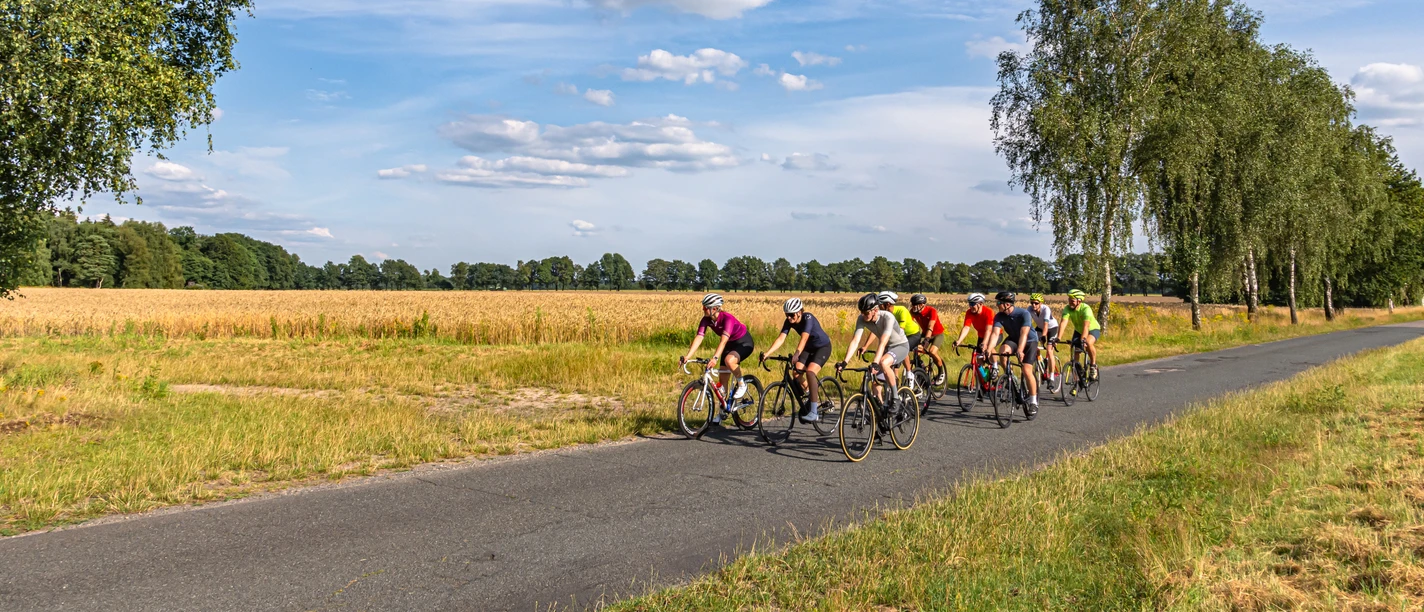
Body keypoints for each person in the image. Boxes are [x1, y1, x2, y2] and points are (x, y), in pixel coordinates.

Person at [679, 293, 754, 424]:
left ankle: (742, 383)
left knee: (729, 361)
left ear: (714, 309)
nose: (703, 309)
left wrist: (714, 358)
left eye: (705, 307)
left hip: (743, 342)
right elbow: (699, 337)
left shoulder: (727, 319)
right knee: (722, 384)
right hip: (730, 344)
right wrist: (687, 356)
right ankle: (722, 412)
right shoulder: (706, 319)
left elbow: (723, 341)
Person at [760, 297, 833, 423]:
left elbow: (804, 338)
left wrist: (797, 353)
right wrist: (767, 353)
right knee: (796, 372)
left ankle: (814, 412)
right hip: (809, 348)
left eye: (791, 315)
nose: (789, 318)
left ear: (799, 312)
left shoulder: (808, 318)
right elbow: (781, 339)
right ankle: (810, 393)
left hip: (823, 347)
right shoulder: (789, 321)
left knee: (810, 372)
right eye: (787, 315)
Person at [837, 293, 910, 415]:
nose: (863, 315)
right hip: (887, 349)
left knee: (883, 362)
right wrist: (844, 362)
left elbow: (882, 342)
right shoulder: (862, 319)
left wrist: (875, 363)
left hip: (900, 346)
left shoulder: (887, 317)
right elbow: (855, 341)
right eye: (861, 312)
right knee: (875, 381)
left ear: (875, 310)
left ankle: (896, 399)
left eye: (866, 313)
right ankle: (881, 414)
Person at [987, 291, 1039, 411]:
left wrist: (1020, 350)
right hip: (1014, 339)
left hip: (1030, 341)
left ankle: (1033, 401)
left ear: (1007, 304)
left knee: (1026, 370)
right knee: (1003, 350)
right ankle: (1011, 379)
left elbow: (1024, 333)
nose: (997, 305)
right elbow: (995, 333)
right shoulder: (999, 316)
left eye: (999, 302)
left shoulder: (1023, 314)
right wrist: (989, 349)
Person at [1061, 289, 1102, 379]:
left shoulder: (1086, 309)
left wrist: (1083, 340)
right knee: (1075, 350)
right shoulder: (1067, 308)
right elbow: (1063, 323)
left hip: (1092, 329)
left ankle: (1093, 365)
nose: (1070, 302)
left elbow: (1086, 327)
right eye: (1069, 299)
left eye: (1072, 300)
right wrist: (1058, 338)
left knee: (1087, 342)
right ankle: (1076, 380)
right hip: (1079, 331)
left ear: (1079, 301)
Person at [909, 293, 947, 384]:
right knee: (914, 348)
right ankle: (921, 369)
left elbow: (931, 326)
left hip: (937, 334)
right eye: (912, 304)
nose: (913, 307)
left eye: (915, 305)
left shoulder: (931, 310)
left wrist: (926, 340)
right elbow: (909, 323)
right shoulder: (913, 312)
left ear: (922, 305)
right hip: (924, 333)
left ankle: (941, 371)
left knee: (932, 351)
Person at [1028, 293, 1060, 384]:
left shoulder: (1046, 309)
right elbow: (1027, 323)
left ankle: (1052, 376)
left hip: (1052, 328)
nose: (1034, 305)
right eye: (1032, 303)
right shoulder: (1029, 309)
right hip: (1040, 328)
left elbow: (1046, 325)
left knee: (1049, 350)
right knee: (1032, 343)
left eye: (1036, 303)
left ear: (1041, 303)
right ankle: (1039, 362)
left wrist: (1044, 336)